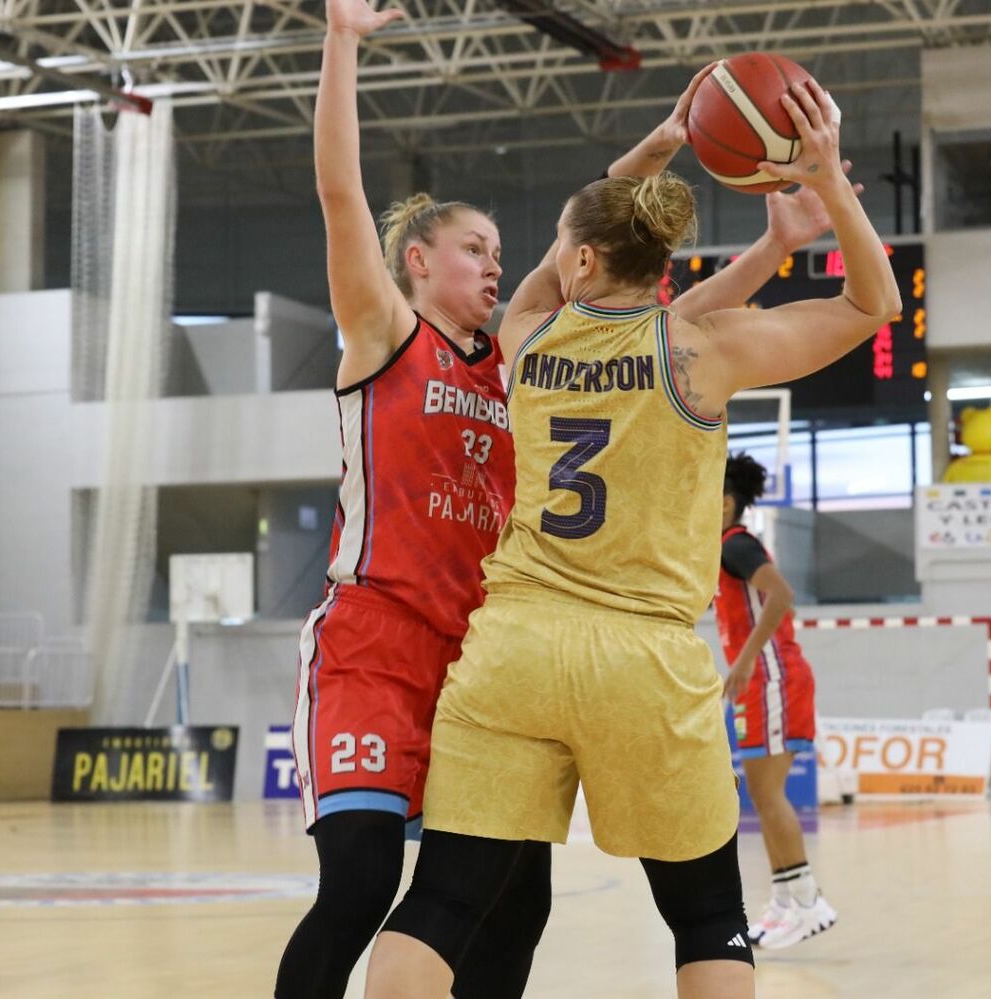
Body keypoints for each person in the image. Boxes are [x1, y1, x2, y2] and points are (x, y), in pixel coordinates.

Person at [278, 4, 823, 994]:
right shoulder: (385, 335)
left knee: (512, 907)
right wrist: (343, 42)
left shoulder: (526, 356)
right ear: (416, 262)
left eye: (501, 250)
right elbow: (339, 192)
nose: (495, 264)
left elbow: (659, 318)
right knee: (359, 884)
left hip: (490, 649)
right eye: (473, 249)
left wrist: (764, 247)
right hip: (379, 640)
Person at [365, 75, 898, 999]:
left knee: (440, 902)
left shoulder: (528, 335)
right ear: (660, 261)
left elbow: (571, 258)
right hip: (644, 661)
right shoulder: (702, 351)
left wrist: (659, 146)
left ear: (578, 259)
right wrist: (824, 181)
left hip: (516, 648)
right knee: (707, 916)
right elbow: (870, 304)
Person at [717, 453, 836, 949]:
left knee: (768, 796)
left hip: (772, 678)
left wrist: (745, 661)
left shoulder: (736, 544)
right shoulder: (721, 549)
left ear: (726, 503)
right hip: (762, 681)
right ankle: (786, 903)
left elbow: (782, 594)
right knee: (762, 799)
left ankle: (808, 902)